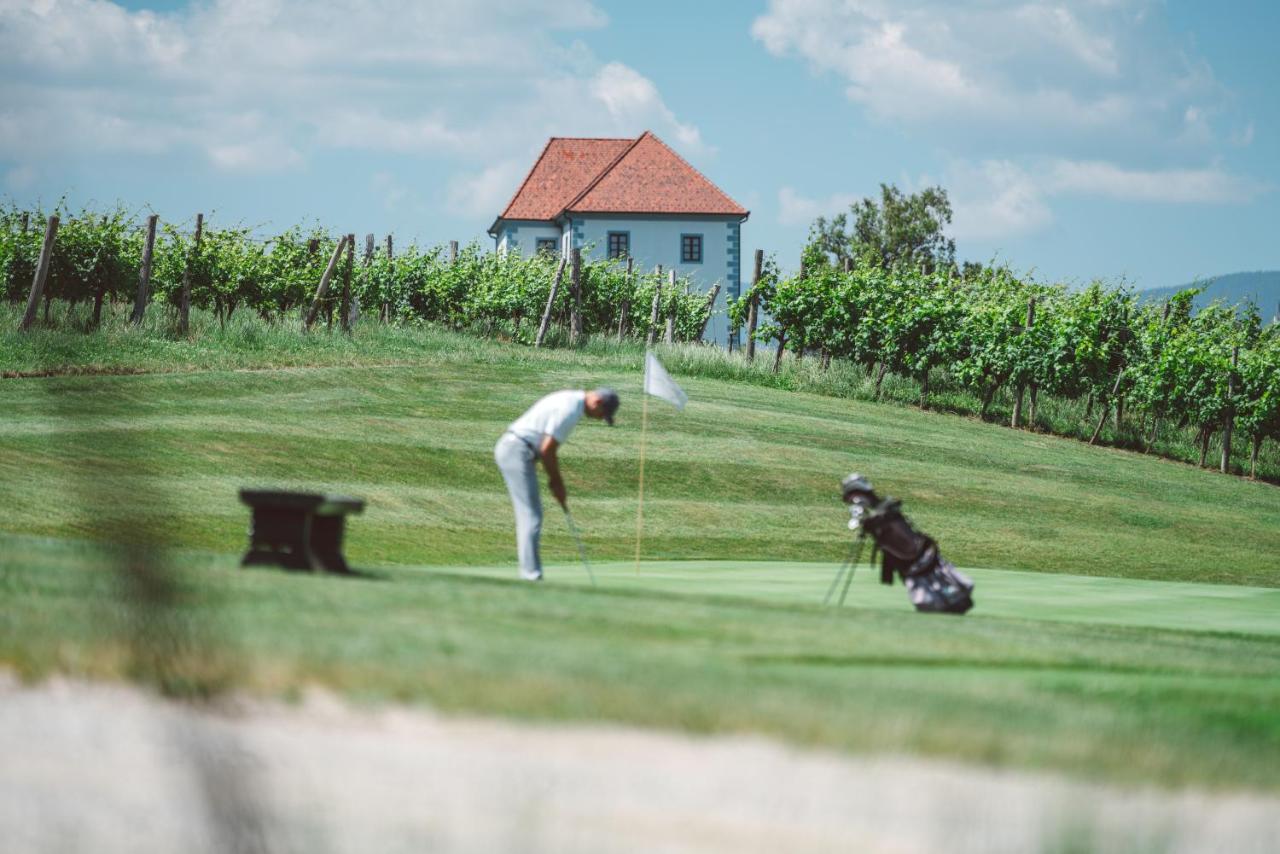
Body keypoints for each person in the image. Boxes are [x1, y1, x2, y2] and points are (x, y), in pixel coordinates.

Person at [494, 388, 620, 581]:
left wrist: (555, 481)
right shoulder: (570, 409)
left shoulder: (571, 400)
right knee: (531, 516)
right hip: (517, 449)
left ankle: (530, 574)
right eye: (602, 414)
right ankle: (531, 577)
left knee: (530, 515)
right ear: (597, 402)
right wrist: (557, 483)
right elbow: (547, 450)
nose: (599, 418)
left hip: (517, 449)